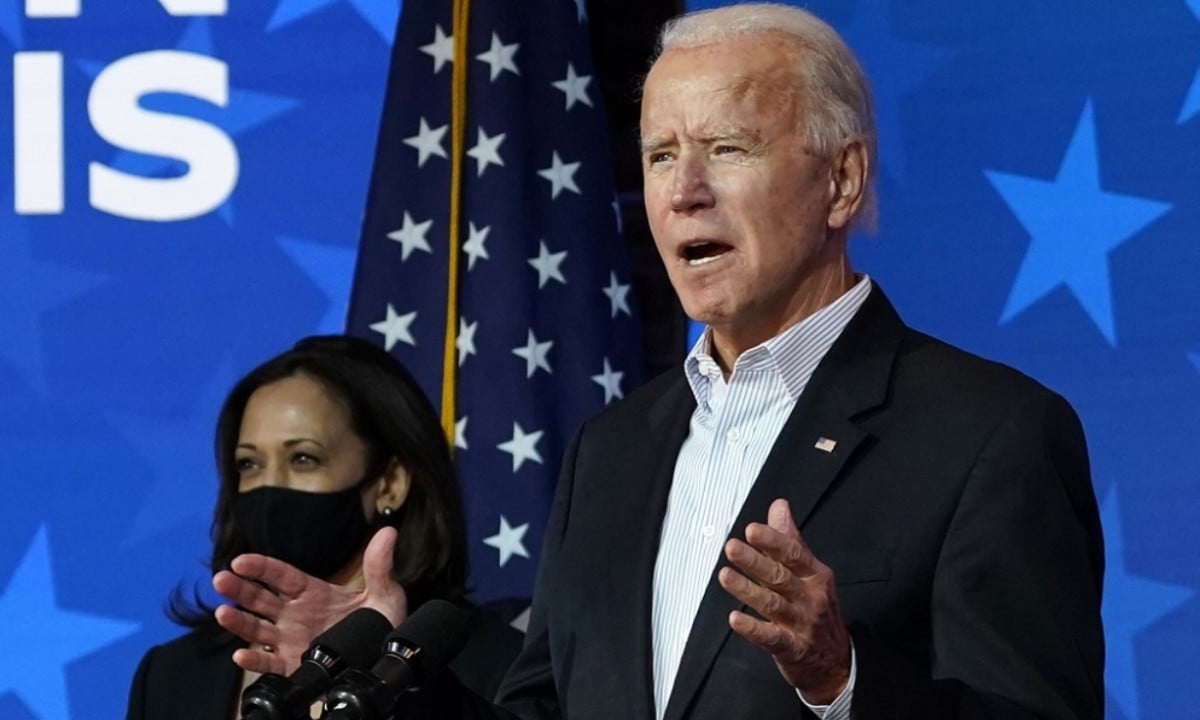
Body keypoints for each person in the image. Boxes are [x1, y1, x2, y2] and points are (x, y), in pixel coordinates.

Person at [212, 5, 1104, 719]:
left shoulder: (990, 434)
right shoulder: (614, 449)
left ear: (843, 180)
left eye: (727, 148)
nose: (682, 192)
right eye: (660, 156)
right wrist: (389, 682)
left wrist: (842, 679)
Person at [124, 335, 523, 720]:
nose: (269, 486)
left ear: (390, 483)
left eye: (302, 459)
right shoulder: (171, 676)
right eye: (249, 464)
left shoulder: (500, 665)